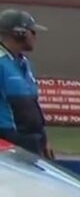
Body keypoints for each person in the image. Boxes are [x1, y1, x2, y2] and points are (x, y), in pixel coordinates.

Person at [0, 9, 52, 159]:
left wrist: (44, 138)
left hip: (30, 142)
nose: (35, 36)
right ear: (19, 33)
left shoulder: (23, 63)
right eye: (32, 32)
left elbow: (31, 106)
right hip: (8, 141)